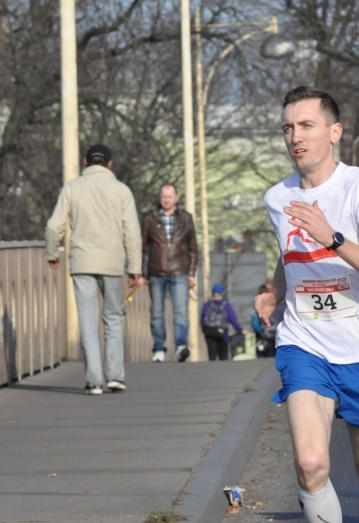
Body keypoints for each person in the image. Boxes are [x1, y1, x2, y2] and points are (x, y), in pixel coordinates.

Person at [254, 86, 359, 523]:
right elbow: (290, 257)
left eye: (306, 125)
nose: (295, 136)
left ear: (334, 131)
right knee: (311, 463)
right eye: (288, 128)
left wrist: (333, 238)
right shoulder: (276, 198)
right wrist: (276, 291)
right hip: (305, 343)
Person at [45, 144, 143, 395]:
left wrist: (52, 253)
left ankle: (94, 380)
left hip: (82, 263)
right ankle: (115, 376)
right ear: (110, 163)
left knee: (87, 321)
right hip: (112, 262)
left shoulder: (71, 189)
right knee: (112, 317)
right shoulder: (121, 191)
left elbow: (54, 226)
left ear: (85, 161)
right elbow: (131, 232)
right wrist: (134, 267)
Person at [142, 183, 198, 363]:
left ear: (176, 197)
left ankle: (181, 345)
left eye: (170, 196)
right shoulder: (150, 219)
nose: (166, 200)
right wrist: (142, 273)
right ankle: (159, 348)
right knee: (157, 312)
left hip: (179, 270)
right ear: (160, 198)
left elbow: (193, 248)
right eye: (163, 196)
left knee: (180, 311)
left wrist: (191, 273)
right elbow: (142, 247)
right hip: (156, 271)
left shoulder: (186, 218)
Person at [200, 283, 247, 361]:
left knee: (212, 358)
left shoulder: (207, 305)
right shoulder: (226, 306)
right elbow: (233, 320)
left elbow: (202, 319)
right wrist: (240, 330)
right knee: (223, 358)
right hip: (223, 335)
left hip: (209, 334)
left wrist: (204, 331)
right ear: (223, 294)